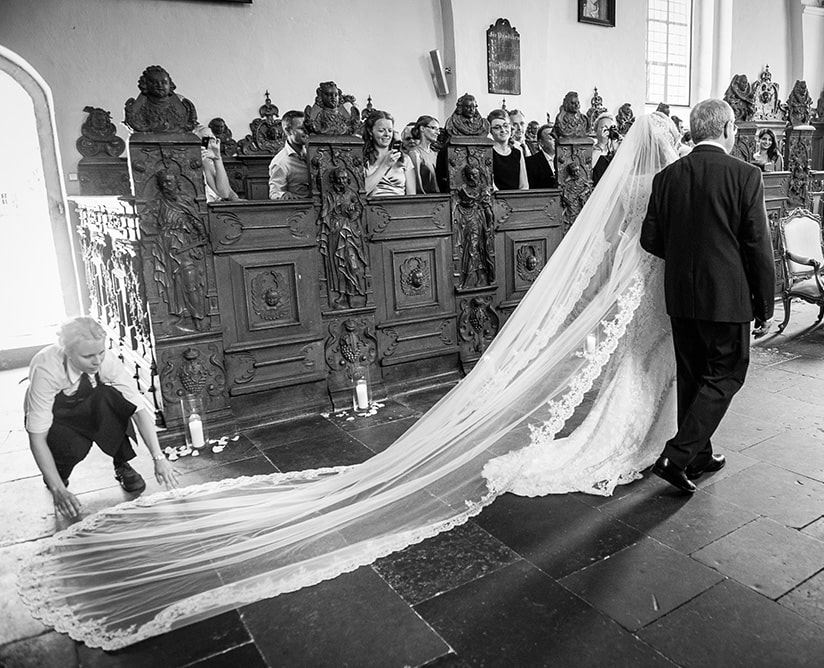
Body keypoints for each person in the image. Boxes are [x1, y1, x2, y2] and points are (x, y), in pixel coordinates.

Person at [20, 113, 684, 650]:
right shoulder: (662, 185)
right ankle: (625, 435)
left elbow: (608, 246)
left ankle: (630, 428)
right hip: (650, 289)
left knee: (630, 366)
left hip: (637, 288)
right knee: (631, 368)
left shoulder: (627, 187)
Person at [640, 98, 775, 493]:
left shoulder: (666, 177)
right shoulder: (745, 175)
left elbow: (651, 239)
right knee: (728, 373)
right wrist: (764, 303)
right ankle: (676, 456)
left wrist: (686, 261)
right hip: (726, 297)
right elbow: (757, 245)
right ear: (729, 128)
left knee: (693, 376)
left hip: (681, 296)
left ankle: (698, 455)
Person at [23, 317, 179, 518]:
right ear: (68, 351)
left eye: (101, 352)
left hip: (89, 403)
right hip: (57, 415)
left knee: (111, 397)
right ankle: (58, 474)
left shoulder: (106, 362)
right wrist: (57, 489)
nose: (97, 361)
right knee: (75, 448)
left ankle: (122, 463)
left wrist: (159, 458)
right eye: (88, 356)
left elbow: (138, 410)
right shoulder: (46, 369)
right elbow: (37, 437)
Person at [363, 110, 417, 197]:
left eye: (390, 130)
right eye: (381, 130)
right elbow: (362, 192)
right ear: (370, 131)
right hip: (372, 208)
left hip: (400, 207)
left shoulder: (405, 159)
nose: (387, 134)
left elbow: (411, 196)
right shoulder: (363, 159)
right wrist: (385, 165)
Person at [268, 110, 311, 200]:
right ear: (288, 131)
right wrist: (283, 195)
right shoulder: (280, 162)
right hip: (302, 209)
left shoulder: (314, 151)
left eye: (308, 128)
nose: (307, 132)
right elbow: (274, 193)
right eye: (302, 129)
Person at [487, 109, 528, 190]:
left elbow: (524, 185)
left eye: (506, 126)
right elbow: (490, 184)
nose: (503, 130)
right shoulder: (488, 152)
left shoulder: (518, 152)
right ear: (490, 131)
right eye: (497, 128)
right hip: (496, 199)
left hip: (516, 199)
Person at [195, 125, 238, 202]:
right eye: (206, 138)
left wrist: (217, 158)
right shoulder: (200, 162)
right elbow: (224, 194)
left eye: (213, 138)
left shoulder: (212, 163)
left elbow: (226, 192)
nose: (211, 141)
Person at [407, 115, 441, 194]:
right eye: (433, 128)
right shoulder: (414, 153)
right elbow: (416, 185)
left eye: (438, 129)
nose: (438, 132)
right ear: (422, 129)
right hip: (426, 200)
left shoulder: (436, 153)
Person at [591, 112, 620, 186]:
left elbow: (623, 169)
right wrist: (602, 144)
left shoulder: (616, 148)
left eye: (611, 128)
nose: (608, 131)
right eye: (604, 128)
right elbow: (587, 168)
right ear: (596, 131)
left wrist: (615, 146)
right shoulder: (591, 149)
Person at [525, 123, 557, 189]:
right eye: (551, 138)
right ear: (541, 143)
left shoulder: (566, 159)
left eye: (556, 137)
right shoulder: (531, 163)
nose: (555, 141)